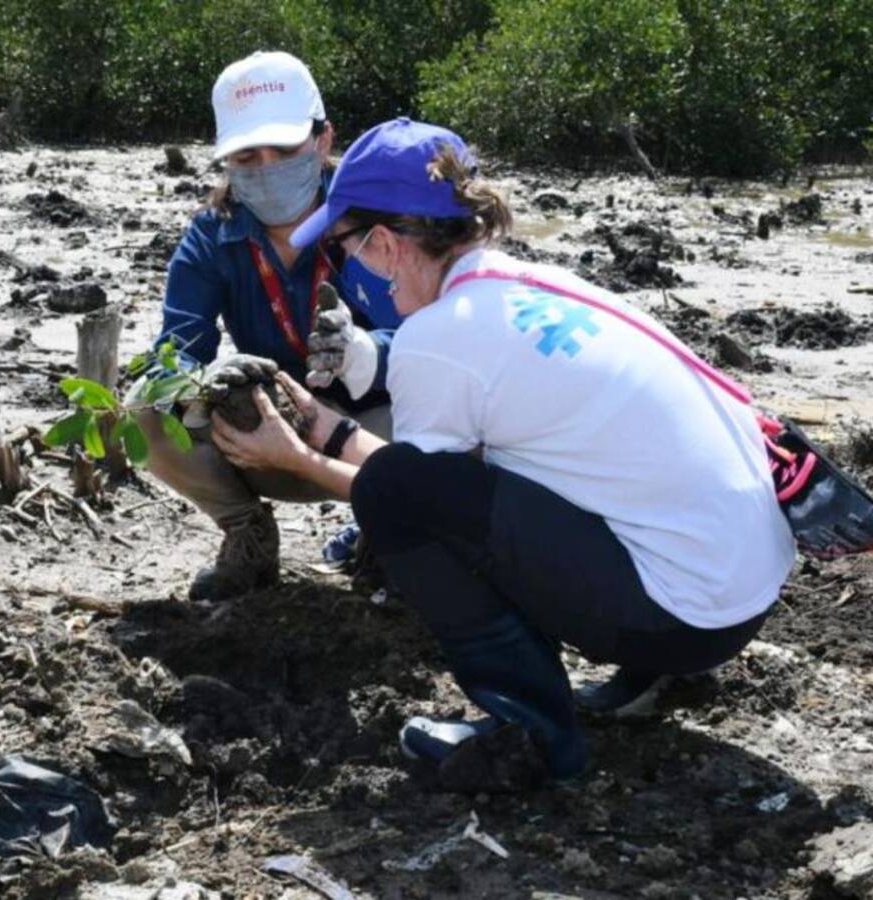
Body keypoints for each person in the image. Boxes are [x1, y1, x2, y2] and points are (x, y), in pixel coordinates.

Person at [208, 117, 800, 787]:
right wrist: (325, 428)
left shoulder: (440, 336)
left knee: (402, 507)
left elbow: (408, 498)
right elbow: (436, 480)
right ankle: (652, 679)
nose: (346, 267)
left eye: (345, 247)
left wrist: (298, 462)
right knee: (487, 480)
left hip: (682, 618)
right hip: (740, 594)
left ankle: (533, 735)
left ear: (383, 242)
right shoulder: (537, 284)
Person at [135, 51, 400, 601]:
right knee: (144, 408)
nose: (266, 166)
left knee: (463, 415)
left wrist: (364, 350)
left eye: (283, 149)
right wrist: (201, 386)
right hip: (269, 431)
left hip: (381, 429)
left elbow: (439, 343)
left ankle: (393, 535)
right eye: (246, 155)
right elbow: (175, 352)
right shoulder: (211, 238)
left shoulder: (378, 224)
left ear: (324, 141)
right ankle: (248, 535)